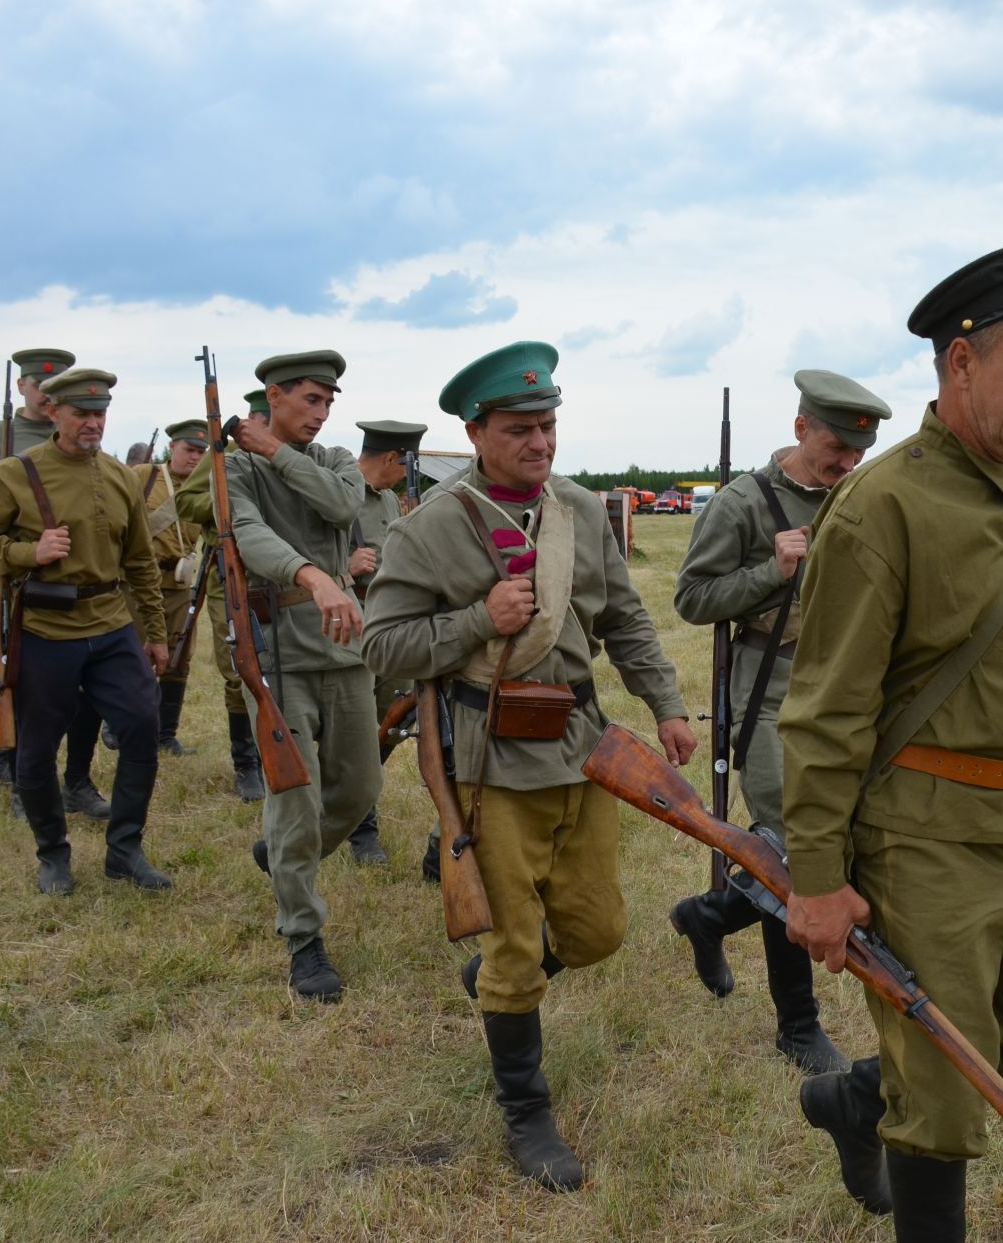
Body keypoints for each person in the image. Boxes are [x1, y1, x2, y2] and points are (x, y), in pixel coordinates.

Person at [779, 242, 1003, 1243]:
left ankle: (859, 1094)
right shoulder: (883, 509)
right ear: (962, 365)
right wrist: (819, 881)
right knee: (954, 1113)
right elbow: (825, 713)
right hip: (922, 837)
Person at [362, 341, 695, 1192]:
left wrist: (666, 706)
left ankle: (501, 983)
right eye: (519, 428)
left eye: (547, 425)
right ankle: (525, 1110)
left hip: (583, 751)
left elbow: (625, 619)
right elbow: (384, 645)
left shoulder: (580, 509)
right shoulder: (431, 526)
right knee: (517, 947)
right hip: (489, 762)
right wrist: (478, 618)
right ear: (475, 433)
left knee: (597, 931)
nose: (539, 442)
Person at [668, 368, 892, 1076]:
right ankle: (799, 1026)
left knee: (839, 839)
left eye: (858, 452)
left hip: (845, 691)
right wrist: (771, 570)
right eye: (836, 448)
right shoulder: (743, 503)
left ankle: (709, 916)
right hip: (769, 690)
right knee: (793, 852)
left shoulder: (858, 497)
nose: (847, 463)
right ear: (801, 430)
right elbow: (694, 598)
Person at [0, 367, 173, 896]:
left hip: (112, 623)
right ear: (54, 412)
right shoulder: (15, 473)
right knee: (35, 751)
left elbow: (141, 561)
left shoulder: (122, 476)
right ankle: (53, 853)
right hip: (46, 629)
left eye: (100, 414)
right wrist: (28, 552)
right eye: (82, 413)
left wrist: (155, 630)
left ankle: (125, 850)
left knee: (143, 725)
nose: (93, 423)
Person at [225, 350, 378, 1001]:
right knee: (296, 798)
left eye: (327, 403)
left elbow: (347, 510)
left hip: (344, 649)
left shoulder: (335, 462)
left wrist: (281, 454)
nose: (319, 414)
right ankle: (304, 938)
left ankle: (285, 858)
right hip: (278, 652)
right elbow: (248, 533)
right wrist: (313, 575)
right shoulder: (233, 468)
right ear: (274, 396)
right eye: (309, 400)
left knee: (360, 786)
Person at [0, 348, 112, 820]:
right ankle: (24, 781)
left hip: (80, 587)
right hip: (13, 581)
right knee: (22, 683)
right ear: (22, 387)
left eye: (55, 385)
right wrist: (3, 553)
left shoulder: (84, 436)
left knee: (89, 687)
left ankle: (78, 780)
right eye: (37, 384)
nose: (45, 393)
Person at [173, 390, 274, 801]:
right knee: (238, 667)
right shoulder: (223, 456)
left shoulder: (288, 454)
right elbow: (186, 501)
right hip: (229, 577)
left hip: (278, 579)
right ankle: (245, 764)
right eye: (264, 422)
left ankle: (274, 753)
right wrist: (227, 506)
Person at [341, 418, 427, 866]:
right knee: (352, 732)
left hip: (389, 627)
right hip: (347, 626)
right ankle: (359, 826)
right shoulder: (338, 490)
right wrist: (344, 565)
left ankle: (351, 803)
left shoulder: (392, 501)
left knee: (392, 719)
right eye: (407, 464)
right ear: (393, 458)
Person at [107, 421, 206, 756]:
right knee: (130, 655)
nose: (195, 457)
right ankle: (118, 726)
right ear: (173, 447)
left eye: (201, 452)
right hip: (135, 584)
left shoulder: (203, 486)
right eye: (189, 450)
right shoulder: (144, 476)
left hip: (179, 585)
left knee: (179, 659)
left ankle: (165, 735)